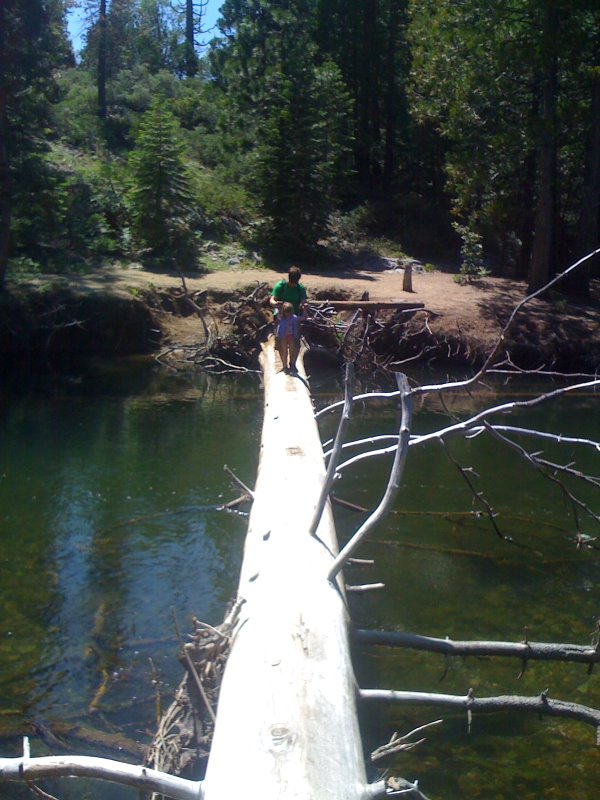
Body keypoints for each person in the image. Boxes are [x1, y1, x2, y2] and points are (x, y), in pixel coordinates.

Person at [270, 266, 307, 372]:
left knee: (295, 343)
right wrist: (275, 304)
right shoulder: (281, 286)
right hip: (281, 318)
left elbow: (303, 301)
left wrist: (304, 306)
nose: (293, 284)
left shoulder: (300, 288)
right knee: (280, 343)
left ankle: (293, 364)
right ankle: (284, 366)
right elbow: (272, 299)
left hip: (293, 319)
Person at [275, 302, 300, 373]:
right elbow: (276, 313)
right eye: (286, 312)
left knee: (291, 351)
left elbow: (303, 318)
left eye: (289, 312)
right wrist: (276, 307)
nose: (288, 314)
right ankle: (285, 366)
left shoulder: (294, 318)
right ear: (284, 312)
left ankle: (292, 364)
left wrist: (305, 310)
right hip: (283, 337)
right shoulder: (281, 318)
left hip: (291, 336)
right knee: (284, 352)